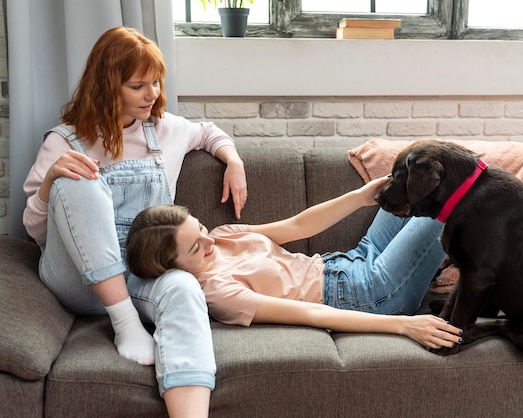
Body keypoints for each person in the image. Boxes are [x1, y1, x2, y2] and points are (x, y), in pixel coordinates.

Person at [22, 26, 247, 417]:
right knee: (78, 177)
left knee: (182, 287)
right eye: (138, 86)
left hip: (142, 272)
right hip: (75, 279)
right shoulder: (64, 141)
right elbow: (34, 229)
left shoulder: (166, 131)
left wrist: (234, 160)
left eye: (156, 82)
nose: (153, 94)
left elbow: (209, 133)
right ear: (108, 85)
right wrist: (52, 183)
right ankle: (125, 322)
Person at [125, 176, 465, 350]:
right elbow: (312, 315)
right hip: (372, 292)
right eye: (197, 248)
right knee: (448, 205)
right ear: (173, 268)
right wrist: (406, 326)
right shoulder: (219, 293)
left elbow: (298, 226)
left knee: (409, 187)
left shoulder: (223, 233)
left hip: (351, 259)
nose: (210, 240)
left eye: (200, 227)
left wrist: (361, 197)